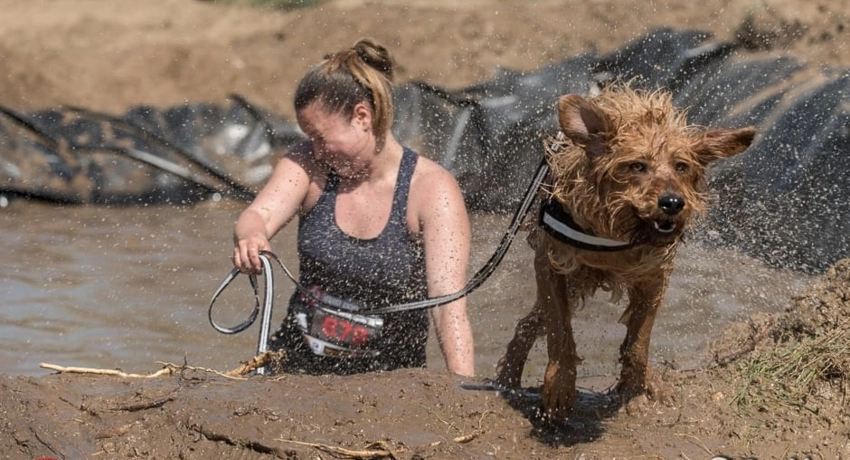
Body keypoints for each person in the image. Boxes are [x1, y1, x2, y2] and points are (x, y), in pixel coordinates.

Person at [231, 38, 474, 377]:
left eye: (320, 137)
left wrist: (463, 396)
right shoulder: (309, 166)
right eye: (308, 137)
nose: (315, 150)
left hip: (389, 382)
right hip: (293, 372)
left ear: (362, 116)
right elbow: (257, 216)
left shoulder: (432, 190)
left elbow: (449, 308)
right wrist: (252, 237)